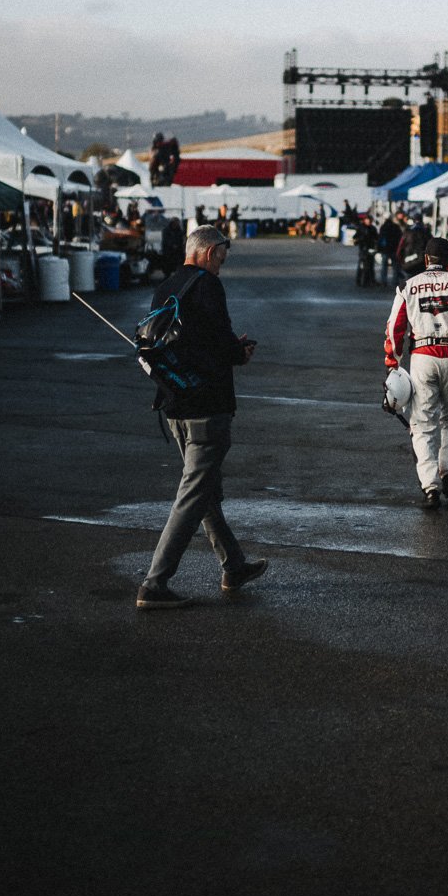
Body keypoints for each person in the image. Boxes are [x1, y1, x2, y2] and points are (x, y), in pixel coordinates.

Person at [137, 225, 267, 609]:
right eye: (223, 256)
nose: (223, 264)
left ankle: (234, 565)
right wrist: (239, 352)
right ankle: (154, 584)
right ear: (210, 252)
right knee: (193, 494)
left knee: (203, 489)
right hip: (207, 408)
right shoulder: (207, 286)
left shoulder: (167, 287)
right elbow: (220, 339)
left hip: (174, 405)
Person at [384, 236, 448, 508]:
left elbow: (394, 326)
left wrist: (393, 361)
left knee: (422, 423)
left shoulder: (407, 286)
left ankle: (430, 487)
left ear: (426, 259)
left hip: (422, 356)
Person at [397, 213, 430, 280]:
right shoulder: (426, 232)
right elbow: (432, 246)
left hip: (409, 261)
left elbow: (400, 247)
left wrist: (399, 258)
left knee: (409, 281)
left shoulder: (407, 232)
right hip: (422, 262)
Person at [377, 212, 403, 285]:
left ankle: (383, 281)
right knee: (395, 266)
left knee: (384, 266)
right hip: (394, 248)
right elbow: (400, 237)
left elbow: (380, 238)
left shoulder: (383, 227)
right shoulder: (395, 226)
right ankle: (395, 281)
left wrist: (379, 248)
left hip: (385, 249)